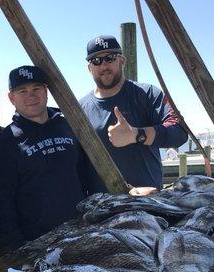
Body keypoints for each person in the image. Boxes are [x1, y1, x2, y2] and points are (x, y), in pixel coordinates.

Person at [0, 65, 87, 252]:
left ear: (46, 91)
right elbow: (3, 202)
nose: (30, 95)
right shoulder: (4, 144)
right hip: (37, 246)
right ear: (11, 98)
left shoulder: (70, 126)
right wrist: (17, 250)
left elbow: (84, 176)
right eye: (22, 91)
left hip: (80, 235)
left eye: (36, 88)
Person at [80, 35, 189, 193]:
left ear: (122, 60)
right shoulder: (80, 108)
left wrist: (136, 135)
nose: (104, 65)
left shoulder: (149, 94)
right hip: (101, 207)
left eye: (110, 58)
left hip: (147, 203)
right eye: (96, 61)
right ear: (89, 68)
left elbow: (179, 131)